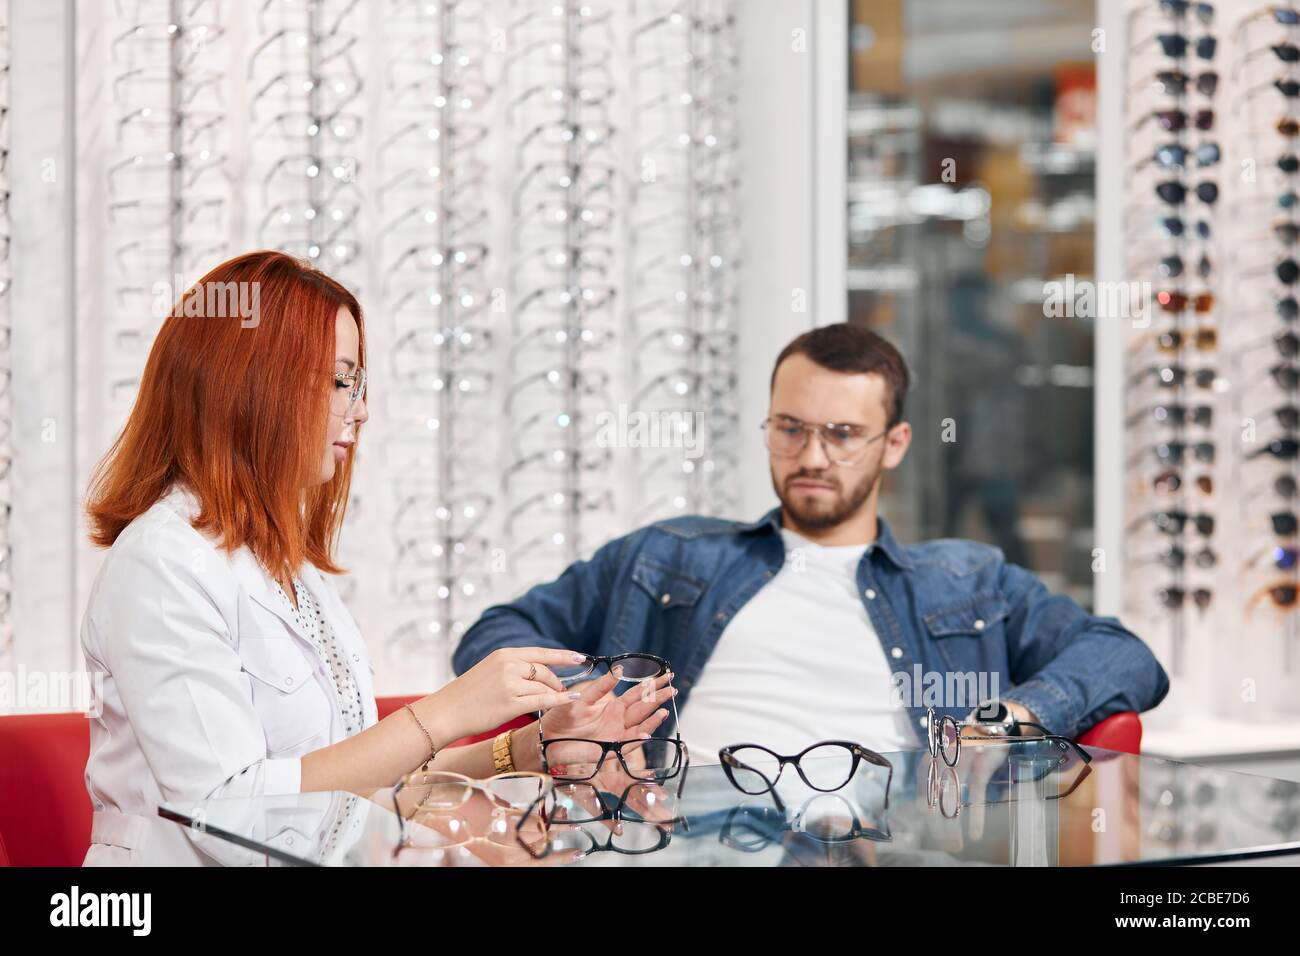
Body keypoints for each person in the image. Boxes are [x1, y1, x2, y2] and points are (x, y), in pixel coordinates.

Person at [80, 250, 675, 865]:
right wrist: (445, 712)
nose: (359, 411)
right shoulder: (161, 564)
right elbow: (232, 814)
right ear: (252, 382)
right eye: (341, 381)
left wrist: (529, 750)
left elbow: (363, 790)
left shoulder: (290, 572)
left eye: (359, 385)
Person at [454, 323, 1169, 762]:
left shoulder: (965, 580)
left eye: (843, 434)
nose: (813, 457)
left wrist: (1013, 718)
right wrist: (590, 703)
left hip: (891, 850)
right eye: (790, 428)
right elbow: (495, 635)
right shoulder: (669, 554)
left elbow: (1126, 657)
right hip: (681, 844)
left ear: (895, 445)